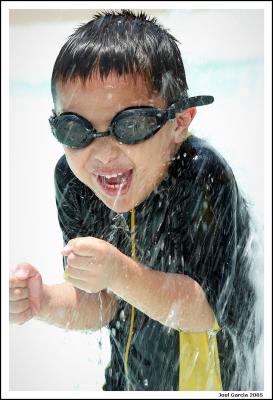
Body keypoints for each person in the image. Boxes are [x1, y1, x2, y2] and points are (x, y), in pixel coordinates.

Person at [9, 10, 260, 391]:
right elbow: (102, 303)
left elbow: (205, 311)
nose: (103, 153)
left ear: (179, 122)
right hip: (128, 379)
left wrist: (118, 272)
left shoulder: (202, 176)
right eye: (75, 129)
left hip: (209, 381)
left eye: (132, 125)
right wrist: (43, 302)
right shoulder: (74, 180)